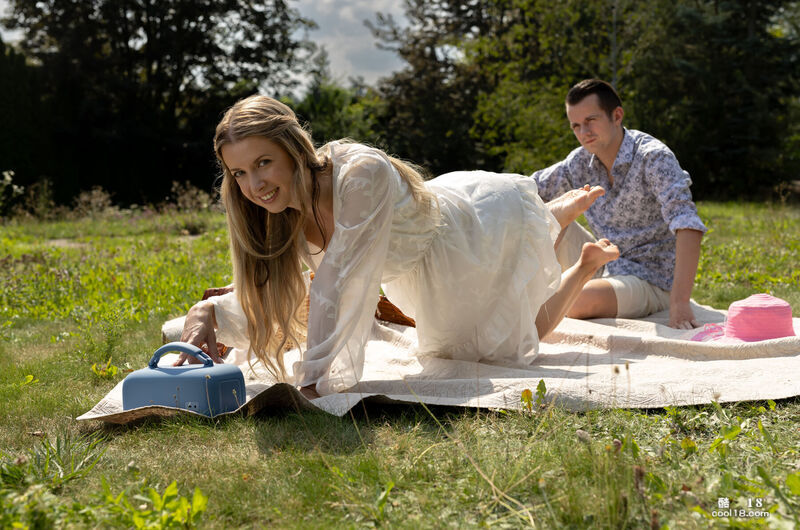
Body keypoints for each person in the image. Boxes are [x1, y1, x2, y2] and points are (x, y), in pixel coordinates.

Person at [176, 95, 620, 397]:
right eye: (239, 173)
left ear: (293, 150)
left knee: (511, 344)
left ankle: (558, 226)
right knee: (499, 339)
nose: (254, 184)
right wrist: (207, 314)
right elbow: (276, 292)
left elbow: (335, 283)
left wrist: (311, 385)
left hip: (461, 238)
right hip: (411, 270)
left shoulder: (359, 174)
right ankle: (578, 253)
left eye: (263, 163)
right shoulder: (274, 211)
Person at [532, 79, 707, 329]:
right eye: (576, 126)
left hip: (649, 279)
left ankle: (544, 296)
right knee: (543, 216)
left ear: (616, 116)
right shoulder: (579, 162)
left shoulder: (653, 157)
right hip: (604, 260)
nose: (583, 132)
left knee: (573, 301)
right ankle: (520, 293)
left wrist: (680, 302)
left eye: (591, 120)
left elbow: (688, 224)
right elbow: (530, 189)